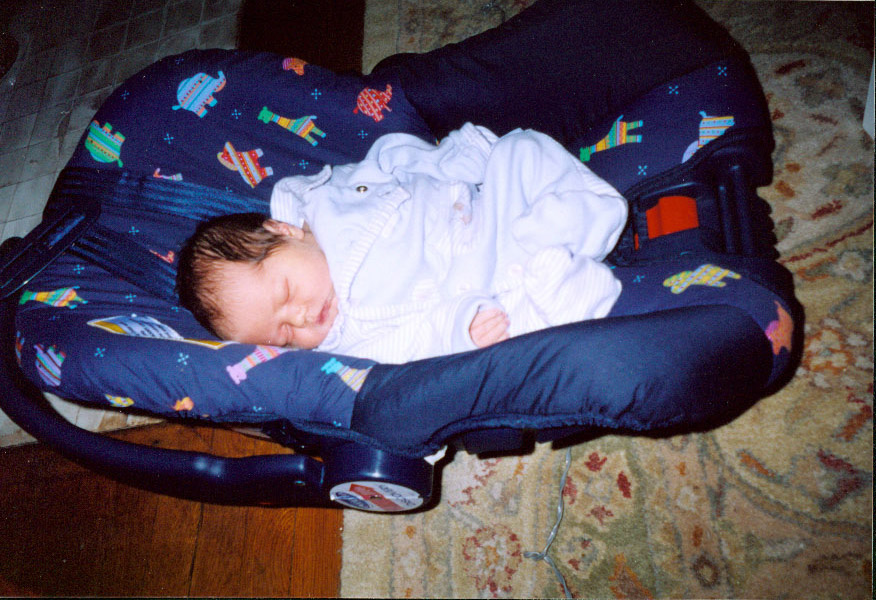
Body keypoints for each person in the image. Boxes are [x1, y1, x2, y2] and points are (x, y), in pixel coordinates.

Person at [177, 123, 627, 363]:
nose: (301, 317)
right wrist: (459, 330)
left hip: (487, 212)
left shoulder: (326, 199)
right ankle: (566, 292)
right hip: (482, 287)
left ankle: (587, 217)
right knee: (508, 331)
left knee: (519, 150)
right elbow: (408, 348)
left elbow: (390, 159)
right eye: (285, 335)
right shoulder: (348, 338)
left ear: (284, 231)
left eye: (287, 294)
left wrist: (455, 157)